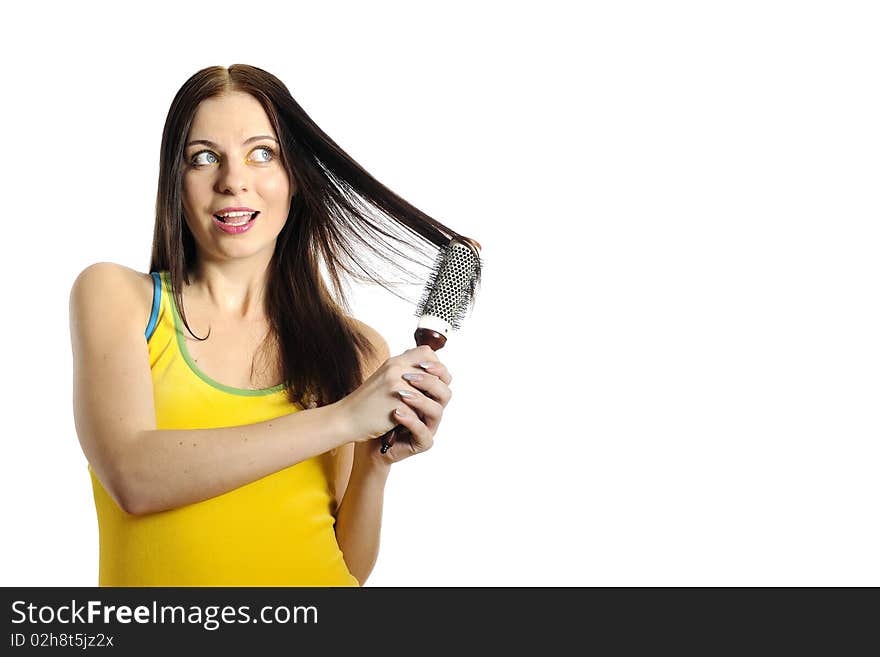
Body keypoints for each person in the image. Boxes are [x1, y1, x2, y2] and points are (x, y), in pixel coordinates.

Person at [68, 64, 475, 586]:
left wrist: (376, 462)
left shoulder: (355, 349)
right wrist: (346, 418)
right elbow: (133, 477)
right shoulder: (115, 297)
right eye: (204, 157)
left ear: (294, 180)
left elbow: (348, 568)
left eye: (262, 153)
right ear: (176, 180)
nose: (233, 180)